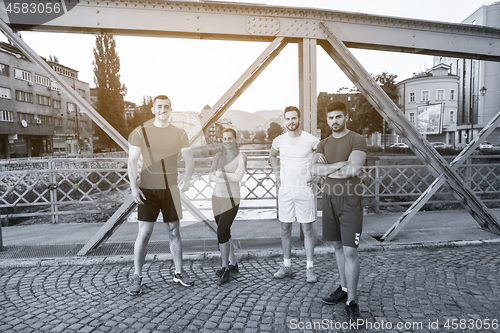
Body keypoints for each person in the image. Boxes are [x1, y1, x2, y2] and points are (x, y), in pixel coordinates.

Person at [126, 95, 195, 295]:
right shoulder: (141, 132)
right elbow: (132, 161)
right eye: (159, 106)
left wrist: (188, 176)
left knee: (174, 231)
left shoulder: (180, 133)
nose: (163, 109)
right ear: (153, 110)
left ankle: (179, 272)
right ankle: (137, 276)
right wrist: (133, 187)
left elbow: (189, 159)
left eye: (167, 106)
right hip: (147, 188)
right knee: (144, 233)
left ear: (170, 110)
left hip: (170, 188)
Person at [311, 101, 367, 320]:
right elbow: (314, 169)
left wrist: (328, 170)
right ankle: (344, 290)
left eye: (338, 117)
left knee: (350, 251)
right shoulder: (323, 143)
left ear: (346, 118)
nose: (334, 121)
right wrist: (340, 164)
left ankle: (352, 302)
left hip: (350, 200)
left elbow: (354, 169)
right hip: (329, 199)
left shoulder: (357, 139)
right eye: (331, 118)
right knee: (337, 247)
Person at [270, 106, 320, 283]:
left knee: (307, 229)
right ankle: (287, 266)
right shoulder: (279, 140)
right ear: (285, 120)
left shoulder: (310, 140)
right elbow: (272, 155)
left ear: (299, 119)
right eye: (288, 119)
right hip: (286, 190)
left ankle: (310, 268)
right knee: (285, 228)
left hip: (304, 190)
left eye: (294, 118)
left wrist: (316, 175)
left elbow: (321, 154)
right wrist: (277, 174)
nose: (291, 122)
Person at [209, 128, 247, 285]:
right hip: (216, 197)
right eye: (224, 138)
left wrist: (221, 175)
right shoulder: (218, 156)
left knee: (221, 231)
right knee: (225, 231)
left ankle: (224, 268)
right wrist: (226, 177)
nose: (227, 141)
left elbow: (239, 177)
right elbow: (210, 176)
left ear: (235, 139)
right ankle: (233, 264)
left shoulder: (241, 156)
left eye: (230, 138)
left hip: (231, 198)